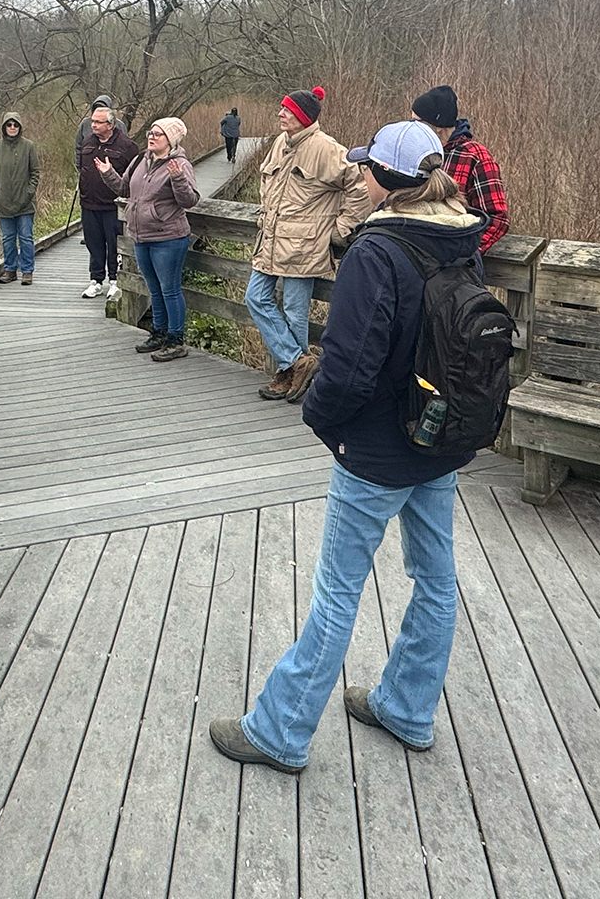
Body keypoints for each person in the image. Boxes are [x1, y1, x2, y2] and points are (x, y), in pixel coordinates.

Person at [209, 121, 485, 774]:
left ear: (385, 179)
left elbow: (347, 366)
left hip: (377, 451)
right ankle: (408, 709)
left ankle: (280, 730)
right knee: (437, 579)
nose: (359, 174)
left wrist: (326, 425)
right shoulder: (463, 240)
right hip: (441, 435)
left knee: (337, 591)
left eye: (367, 168)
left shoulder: (377, 250)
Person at [249, 86, 368, 404]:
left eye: (286, 110)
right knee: (255, 298)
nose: (280, 114)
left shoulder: (327, 149)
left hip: (304, 245)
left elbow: (360, 189)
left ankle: (289, 377)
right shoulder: (279, 143)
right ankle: (297, 362)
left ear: (303, 117)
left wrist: (340, 229)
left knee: (295, 311)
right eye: (281, 109)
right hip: (272, 240)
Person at [96, 117, 200, 361]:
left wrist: (177, 179)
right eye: (151, 133)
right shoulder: (140, 161)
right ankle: (159, 332)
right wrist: (108, 173)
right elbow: (124, 189)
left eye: (158, 134)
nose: (151, 137)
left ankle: (176, 340)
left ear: (171, 140)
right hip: (141, 236)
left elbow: (190, 200)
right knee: (154, 289)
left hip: (169, 238)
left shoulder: (179, 164)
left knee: (170, 290)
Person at [412, 86, 508, 252]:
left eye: (417, 122)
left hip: (453, 263)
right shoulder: (414, 151)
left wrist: (464, 256)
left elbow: (497, 219)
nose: (412, 127)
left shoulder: (475, 157)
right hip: (415, 257)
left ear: (438, 124)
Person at [77, 104, 140, 298]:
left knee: (114, 244)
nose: (93, 125)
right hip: (89, 204)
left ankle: (115, 280)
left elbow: (134, 175)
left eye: (98, 122)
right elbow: (81, 167)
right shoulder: (87, 142)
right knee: (94, 244)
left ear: (110, 124)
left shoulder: (126, 146)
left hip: (113, 206)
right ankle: (96, 280)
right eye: (92, 121)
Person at [0, 112, 41, 285]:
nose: (12, 128)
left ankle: (27, 271)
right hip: (3, 203)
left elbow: (35, 173)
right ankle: (10, 269)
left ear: (19, 127)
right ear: (4, 127)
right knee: (7, 238)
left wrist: (28, 193)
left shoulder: (29, 146)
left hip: (25, 203)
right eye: (9, 125)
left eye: (15, 125)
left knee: (26, 237)